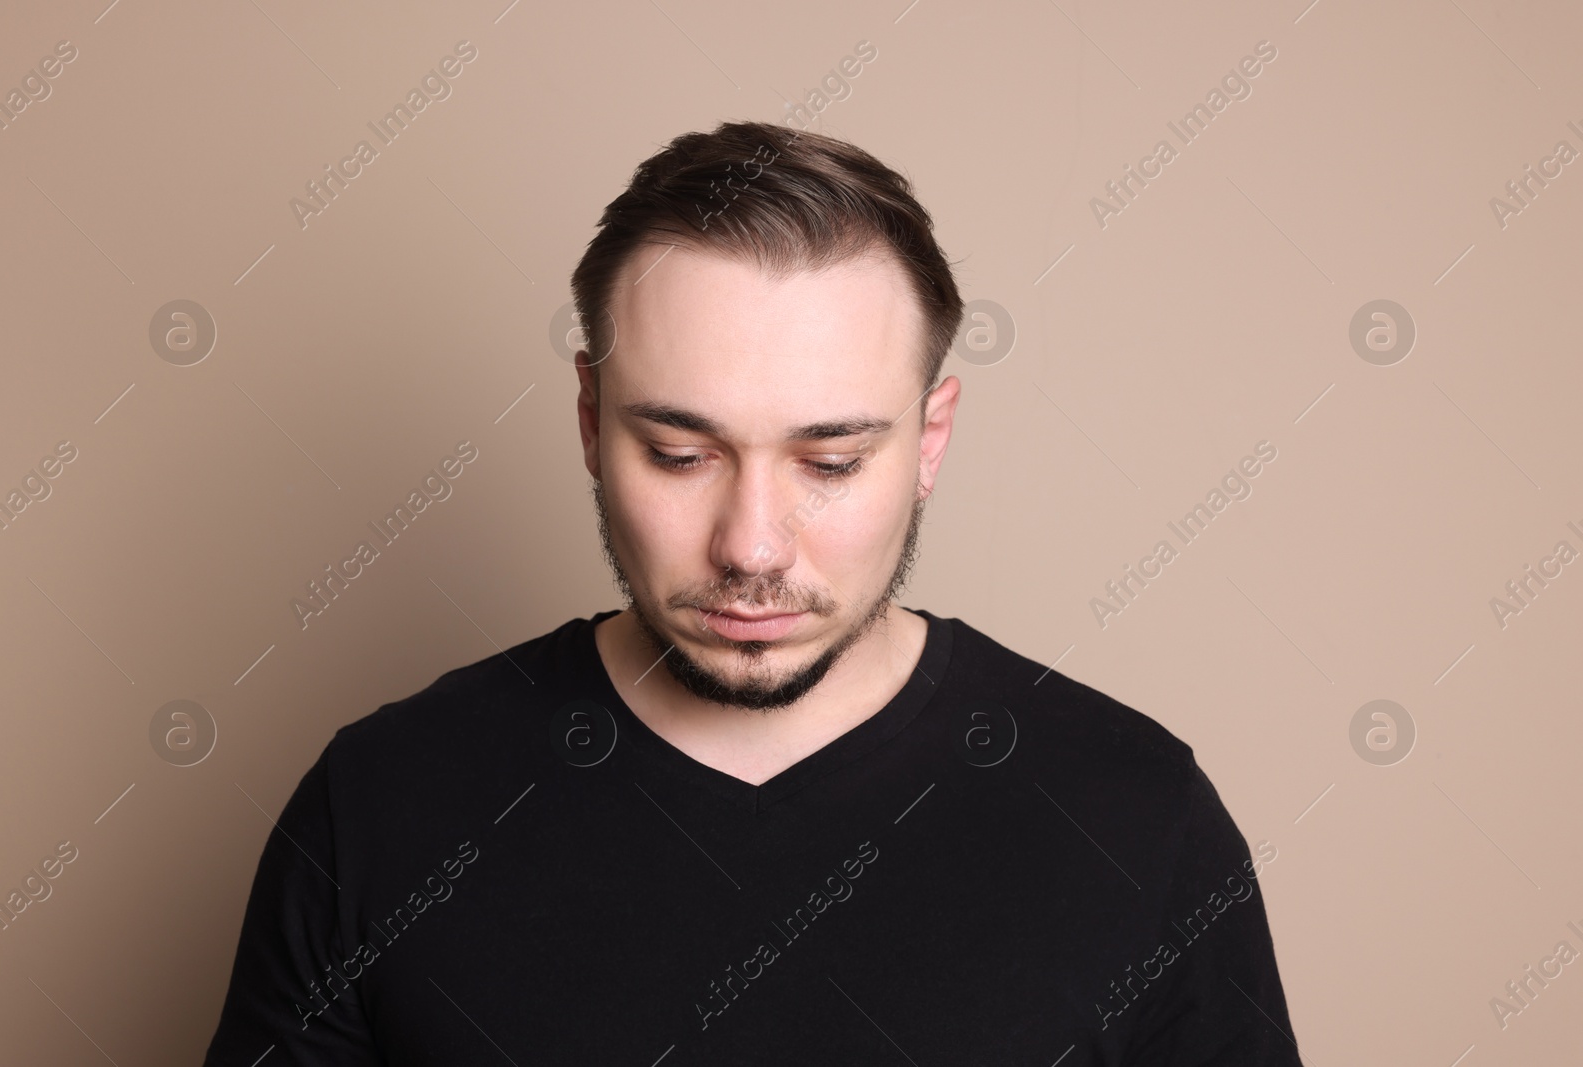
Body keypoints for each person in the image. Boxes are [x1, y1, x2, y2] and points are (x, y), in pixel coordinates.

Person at [202, 120, 1303, 1065]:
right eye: (681, 453)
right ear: (590, 421)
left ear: (930, 439)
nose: (752, 545)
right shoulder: (381, 809)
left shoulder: (1135, 815)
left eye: (829, 463)